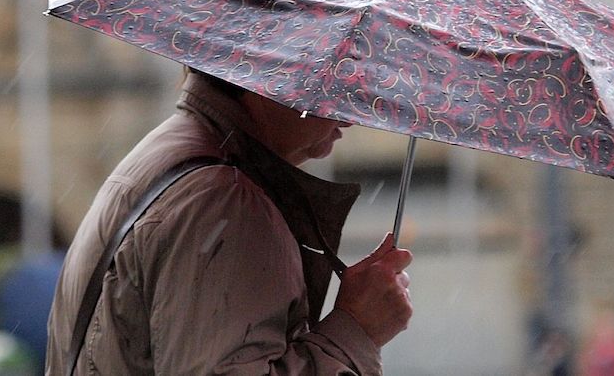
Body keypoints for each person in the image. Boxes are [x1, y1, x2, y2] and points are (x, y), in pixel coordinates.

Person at [45, 70, 414, 374]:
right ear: (270, 73)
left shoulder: (176, 154)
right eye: (335, 81)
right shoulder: (225, 200)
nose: (348, 117)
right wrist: (356, 331)